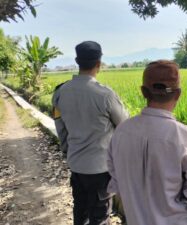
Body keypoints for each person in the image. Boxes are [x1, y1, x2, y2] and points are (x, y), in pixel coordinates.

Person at [107, 60, 187, 225]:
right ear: (178, 94)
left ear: (144, 92)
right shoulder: (186, 137)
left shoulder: (121, 132)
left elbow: (116, 181)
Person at [52, 41, 129, 225]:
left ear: (77, 61)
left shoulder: (61, 92)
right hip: (100, 169)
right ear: (99, 63)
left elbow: (60, 127)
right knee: (100, 216)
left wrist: (67, 152)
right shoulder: (104, 95)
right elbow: (125, 125)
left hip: (76, 165)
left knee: (80, 210)